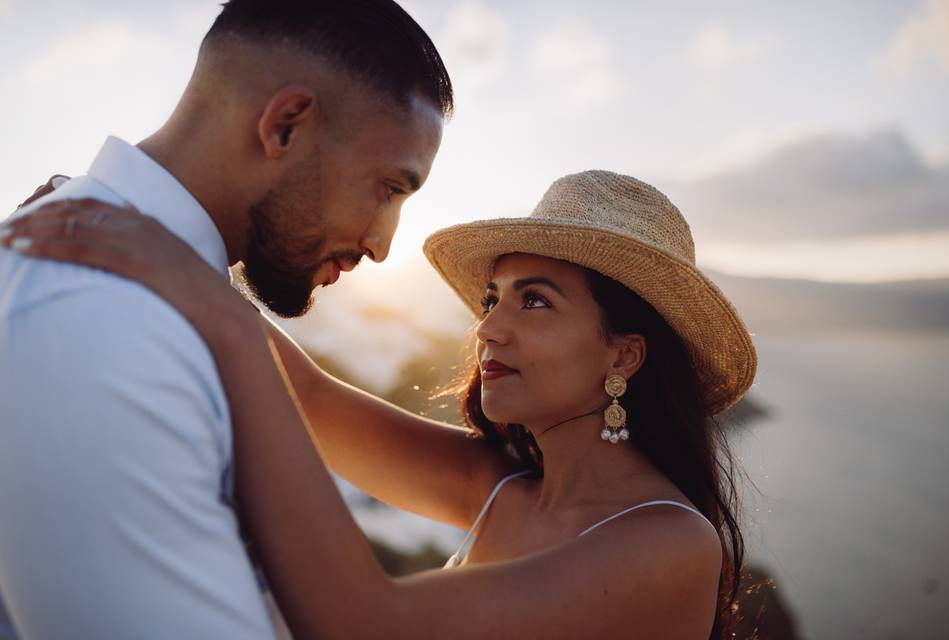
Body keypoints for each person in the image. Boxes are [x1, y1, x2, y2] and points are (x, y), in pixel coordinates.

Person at [1, 170, 757, 639]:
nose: (488, 326)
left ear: (623, 353)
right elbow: (308, 399)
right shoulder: (501, 487)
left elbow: (363, 624)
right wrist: (120, 220)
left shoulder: (672, 546)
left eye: (535, 302)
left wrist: (208, 308)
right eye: (493, 298)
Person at [0, 1, 450, 638]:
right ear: (286, 125)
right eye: (388, 188)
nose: (382, 244)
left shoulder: (150, 291)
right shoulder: (100, 319)